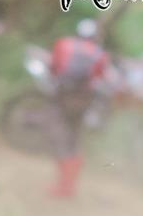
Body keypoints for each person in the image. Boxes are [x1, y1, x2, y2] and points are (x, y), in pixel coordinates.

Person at [47, 18, 112, 199]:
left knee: (61, 138)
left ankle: (62, 185)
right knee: (75, 140)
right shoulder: (99, 53)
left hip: (63, 98)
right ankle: (70, 186)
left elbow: (53, 68)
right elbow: (101, 77)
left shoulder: (63, 44)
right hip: (84, 101)